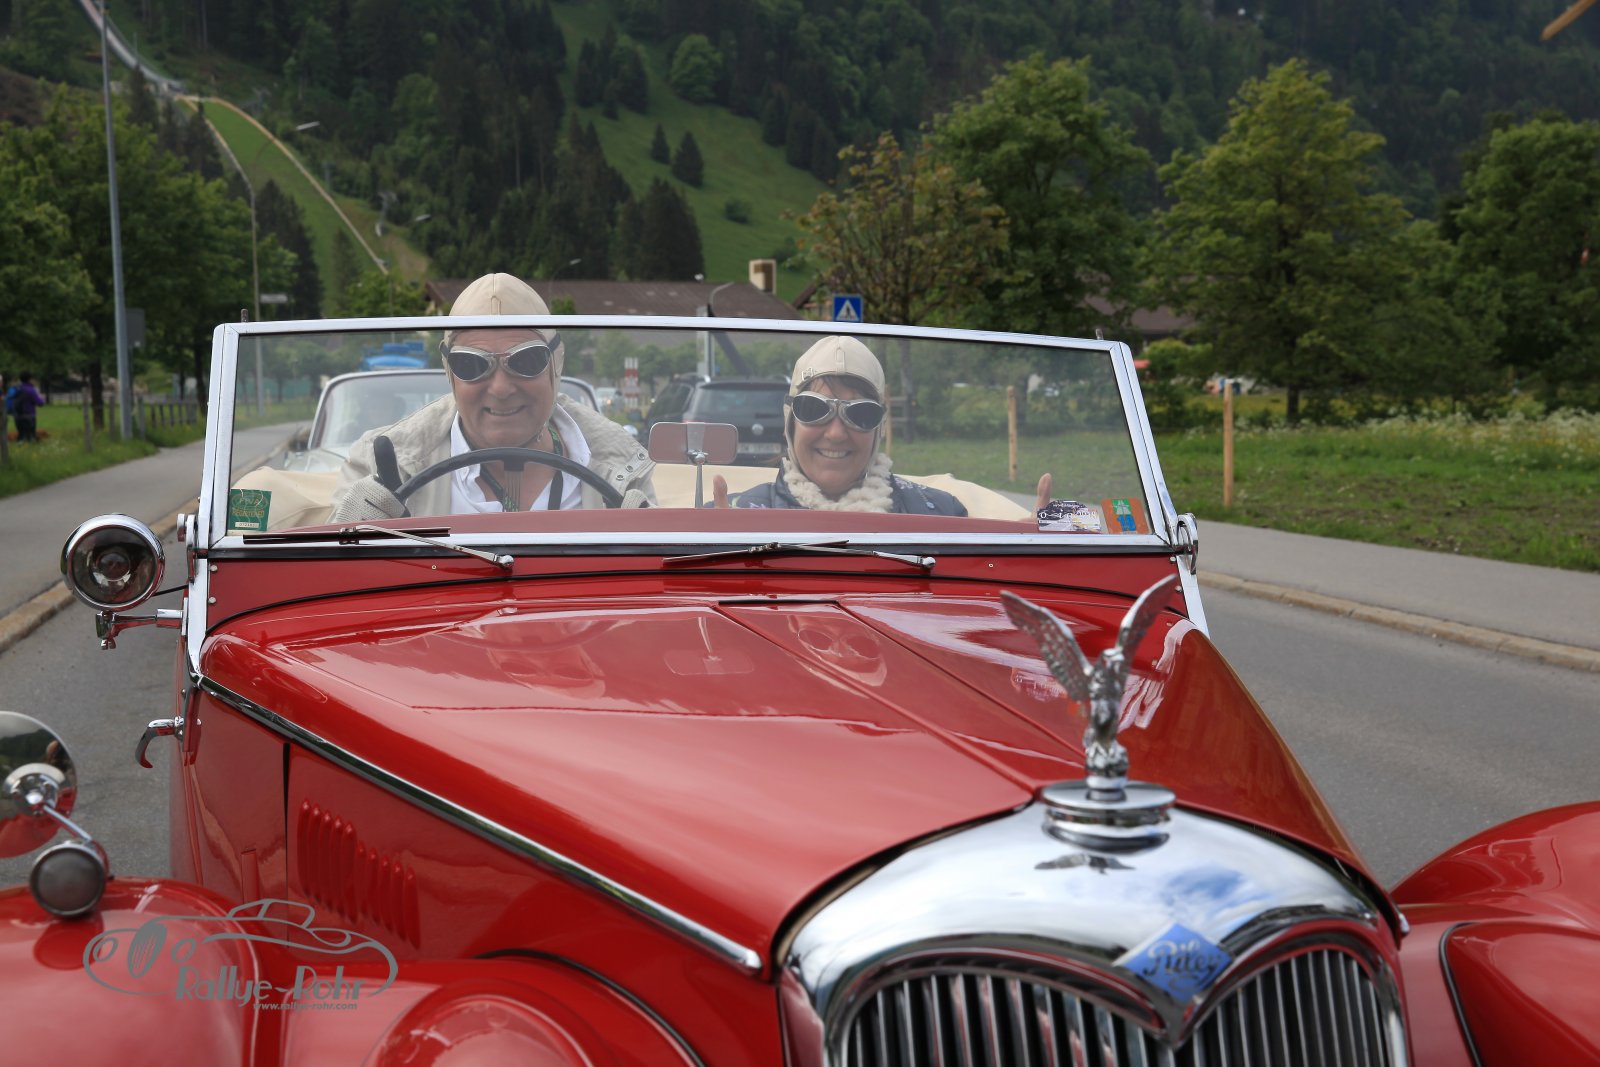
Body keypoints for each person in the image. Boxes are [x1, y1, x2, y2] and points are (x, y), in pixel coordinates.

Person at [330, 273, 654, 520]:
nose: (500, 389)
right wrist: (353, 535)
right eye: (471, 365)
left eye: (526, 361)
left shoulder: (620, 467)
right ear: (450, 372)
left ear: (555, 365)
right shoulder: (382, 467)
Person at [711, 335, 969, 514]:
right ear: (790, 422)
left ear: (879, 428)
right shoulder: (730, 519)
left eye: (861, 413)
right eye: (814, 408)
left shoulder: (941, 518)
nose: (836, 433)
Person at [7, 373, 46, 443]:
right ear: (29, 379)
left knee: (21, 436)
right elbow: (40, 403)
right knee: (31, 437)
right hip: (29, 416)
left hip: (17, 416)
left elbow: (9, 398)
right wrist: (42, 399)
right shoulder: (30, 390)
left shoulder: (16, 389)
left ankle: (20, 444)